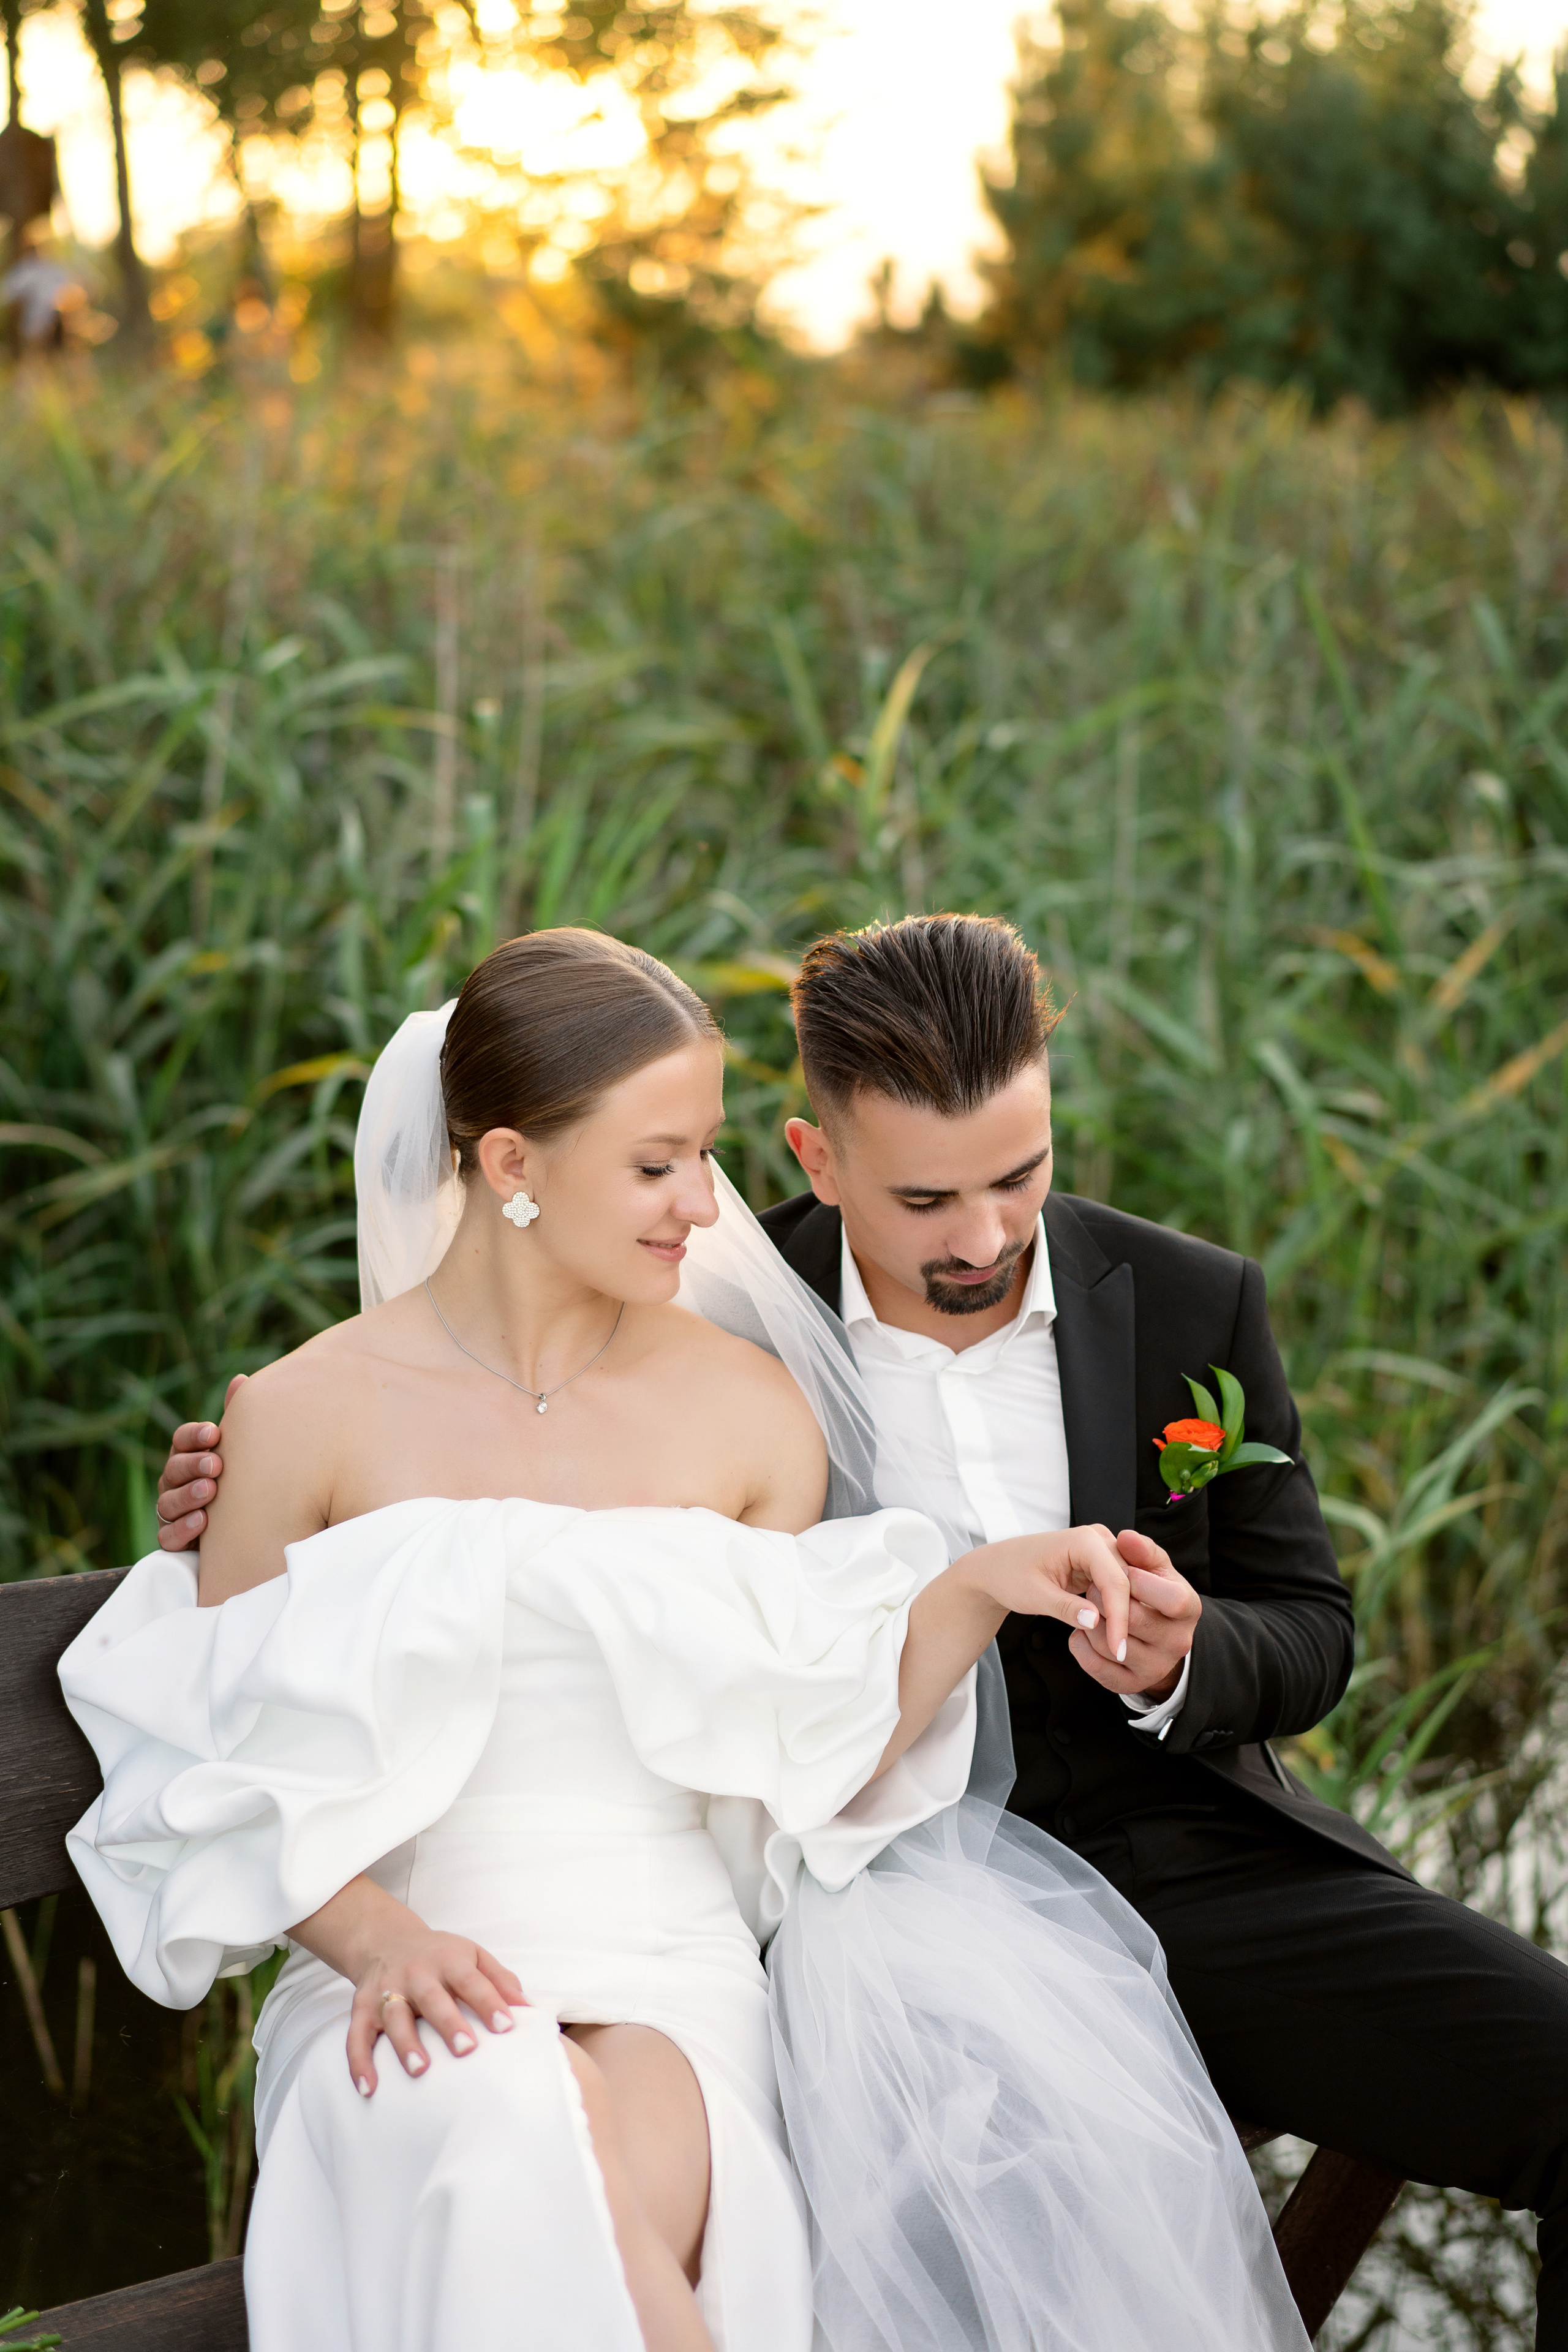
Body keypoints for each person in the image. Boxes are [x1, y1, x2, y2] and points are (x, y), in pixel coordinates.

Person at [160, 913, 1568, 2346]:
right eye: (923, 1199)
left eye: (1018, 1177)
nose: (983, 1236)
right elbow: (472, 1458)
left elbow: (1312, 1631)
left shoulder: (1185, 1303)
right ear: (814, 1158)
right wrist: (236, 1487)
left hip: (1182, 1857)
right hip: (860, 1892)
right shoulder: (719, 1312)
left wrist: (1191, 1651)